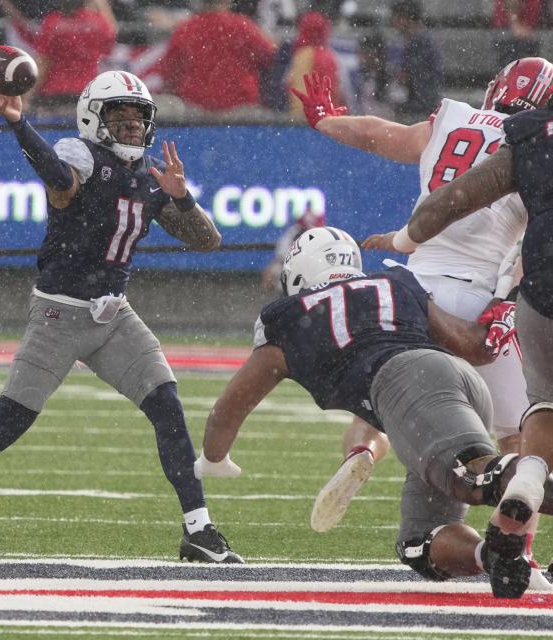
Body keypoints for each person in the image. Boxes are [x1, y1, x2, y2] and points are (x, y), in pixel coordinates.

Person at [0, 70, 241, 565]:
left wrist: (181, 196)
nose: (129, 126)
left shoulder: (151, 180)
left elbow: (208, 240)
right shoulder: (80, 157)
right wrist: (20, 124)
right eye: (118, 116)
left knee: (167, 407)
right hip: (59, 314)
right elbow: (60, 182)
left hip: (114, 315)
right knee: (5, 427)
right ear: (93, 119)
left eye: (137, 117)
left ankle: (199, 531)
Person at [199, 225, 552, 599]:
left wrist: (213, 457)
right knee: (419, 543)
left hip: (409, 387)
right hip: (448, 381)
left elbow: (229, 407)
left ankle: (520, 476)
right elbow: (473, 347)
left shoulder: (286, 317)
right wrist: (502, 312)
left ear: (298, 272)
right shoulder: (394, 282)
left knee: (474, 478)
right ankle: (495, 555)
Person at [291, 62, 550, 551]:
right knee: (520, 440)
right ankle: (519, 551)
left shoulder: (453, 117)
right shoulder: (536, 144)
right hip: (476, 294)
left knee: (387, 406)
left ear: (496, 88)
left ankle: (363, 450)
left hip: (412, 286)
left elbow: (380, 135)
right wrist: (505, 305)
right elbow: (532, 245)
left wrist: (328, 121)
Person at [398, 62, 553, 602]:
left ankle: (361, 451)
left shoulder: (500, 133)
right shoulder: (530, 141)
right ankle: (521, 539)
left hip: (431, 287)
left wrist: (405, 237)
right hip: (497, 293)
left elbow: (437, 187)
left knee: (407, 398)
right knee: (519, 430)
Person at [161, 0, 277, 112]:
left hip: (195, 114)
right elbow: (272, 57)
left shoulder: (185, 29)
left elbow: (169, 75)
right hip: (241, 113)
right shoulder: (243, 27)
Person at [389, 0, 443, 120]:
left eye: (396, 17)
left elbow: (416, 80)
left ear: (406, 18)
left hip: (420, 110)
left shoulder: (421, 44)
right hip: (417, 106)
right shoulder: (413, 42)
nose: (394, 22)